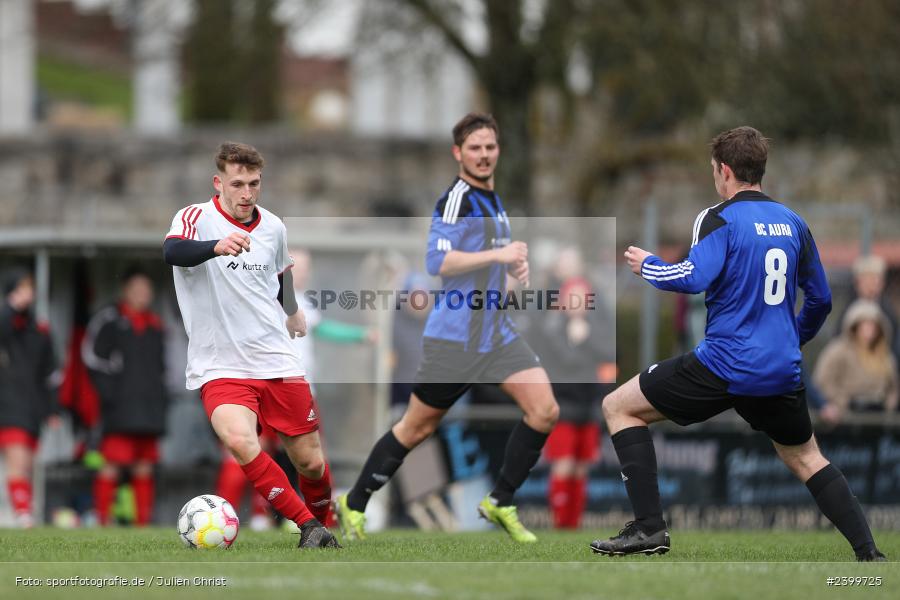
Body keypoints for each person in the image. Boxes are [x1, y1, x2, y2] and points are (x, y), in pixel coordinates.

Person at [590, 126, 886, 562]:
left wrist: (648, 265)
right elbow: (821, 300)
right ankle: (870, 556)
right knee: (806, 456)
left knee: (618, 406)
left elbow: (692, 277)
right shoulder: (794, 223)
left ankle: (650, 529)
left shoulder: (718, 217)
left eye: (714, 170)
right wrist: (792, 339)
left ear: (724, 170)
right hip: (779, 369)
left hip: (724, 365)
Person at [335, 113, 559, 543]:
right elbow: (439, 263)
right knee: (416, 428)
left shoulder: (494, 201)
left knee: (544, 410)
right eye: (474, 148)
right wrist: (499, 257)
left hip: (494, 334)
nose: (483, 155)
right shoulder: (455, 200)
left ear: (498, 151)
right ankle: (355, 502)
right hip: (454, 340)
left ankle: (500, 501)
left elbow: (488, 267)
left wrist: (514, 268)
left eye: (490, 147)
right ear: (458, 153)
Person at [162, 141, 339, 548]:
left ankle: (322, 527)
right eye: (237, 183)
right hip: (220, 365)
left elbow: (281, 272)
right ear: (218, 182)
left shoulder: (274, 226)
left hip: (275, 358)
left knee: (310, 462)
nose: (246, 193)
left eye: (254, 184)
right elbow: (173, 251)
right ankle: (307, 526)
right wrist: (214, 247)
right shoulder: (196, 218)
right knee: (241, 441)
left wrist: (292, 310)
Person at [82, 269, 168, 526]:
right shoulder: (109, 320)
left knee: (144, 465)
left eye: (147, 289)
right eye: (137, 288)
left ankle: (143, 524)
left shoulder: (155, 325)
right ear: (126, 291)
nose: (142, 294)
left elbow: (164, 368)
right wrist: (111, 393)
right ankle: (102, 521)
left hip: (150, 408)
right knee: (112, 463)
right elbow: (91, 358)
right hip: (119, 408)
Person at [540, 276, 613, 529]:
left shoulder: (595, 327)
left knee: (582, 467)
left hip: (589, 405)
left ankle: (574, 523)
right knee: (564, 464)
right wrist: (577, 343)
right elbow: (565, 363)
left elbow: (608, 354)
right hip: (563, 406)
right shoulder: (552, 327)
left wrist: (586, 338)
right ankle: (560, 523)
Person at [0, 268, 57, 528]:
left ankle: (26, 512)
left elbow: (50, 373)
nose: (26, 295)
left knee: (28, 463)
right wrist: (10, 307)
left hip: (33, 406)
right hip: (8, 403)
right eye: (20, 289)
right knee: (17, 459)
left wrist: (51, 409)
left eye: (29, 289)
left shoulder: (39, 329)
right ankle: (24, 515)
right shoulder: (6, 322)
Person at [814, 299, 898, 422]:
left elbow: (893, 387)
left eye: (873, 325)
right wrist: (843, 402)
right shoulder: (838, 351)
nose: (869, 329)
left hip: (877, 420)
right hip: (845, 420)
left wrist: (887, 405)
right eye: (864, 324)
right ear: (855, 325)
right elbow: (823, 381)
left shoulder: (884, 355)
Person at [833, 254, 900, 364]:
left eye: (875, 280)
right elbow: (837, 339)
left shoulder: (888, 311)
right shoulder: (848, 310)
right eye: (867, 280)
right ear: (857, 283)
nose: (872, 285)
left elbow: (894, 344)